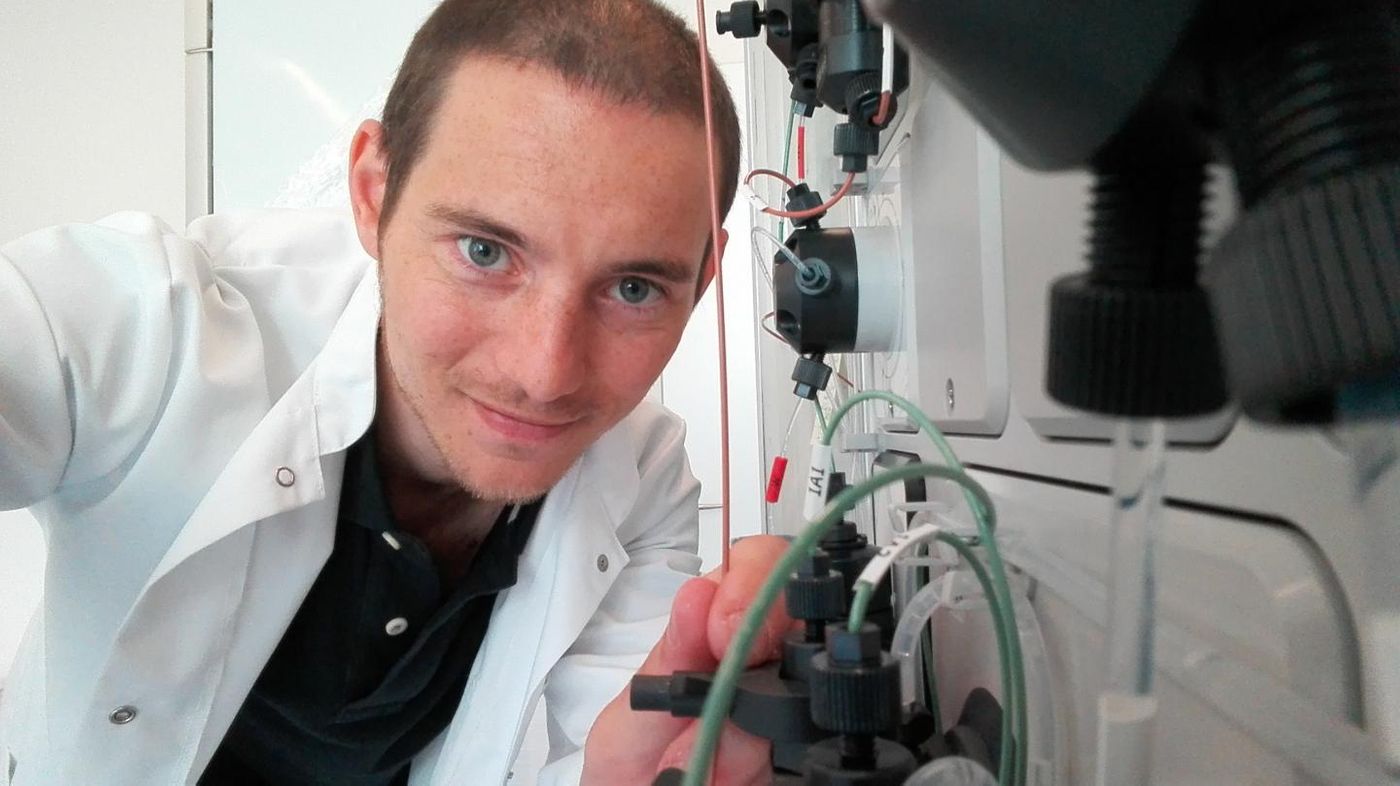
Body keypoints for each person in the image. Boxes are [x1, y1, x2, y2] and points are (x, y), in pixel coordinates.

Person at [0, 1, 792, 783]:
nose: (543, 374)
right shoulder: (150, 326)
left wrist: (622, 771)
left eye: (632, 288)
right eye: (485, 252)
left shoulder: (646, 484)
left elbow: (574, 754)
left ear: (704, 277)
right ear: (373, 193)